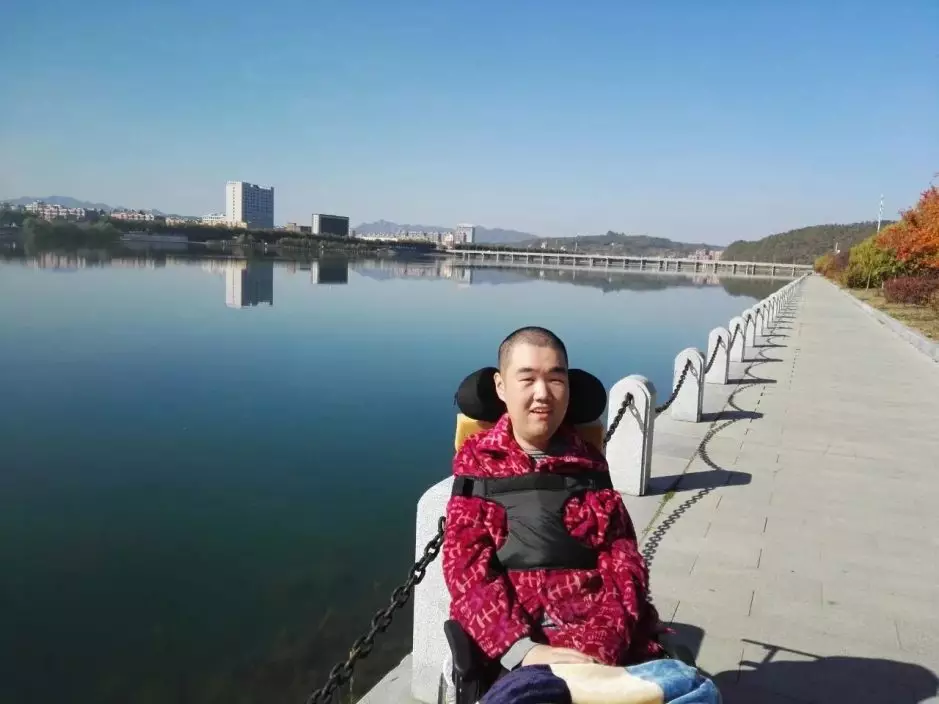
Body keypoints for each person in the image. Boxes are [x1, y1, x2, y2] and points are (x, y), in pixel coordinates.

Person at [442, 326, 720, 703]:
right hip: (524, 656)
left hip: (607, 648)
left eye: (555, 379)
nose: (543, 394)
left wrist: (601, 646)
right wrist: (523, 650)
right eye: (527, 379)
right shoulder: (478, 468)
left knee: (699, 691)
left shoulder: (588, 465)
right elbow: (467, 576)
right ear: (501, 386)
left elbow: (624, 564)